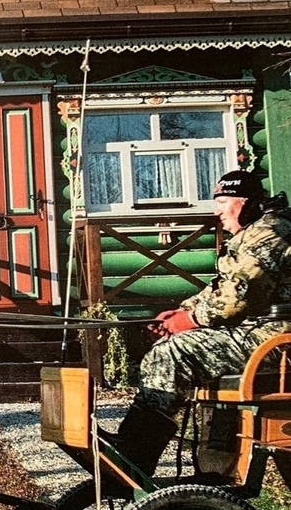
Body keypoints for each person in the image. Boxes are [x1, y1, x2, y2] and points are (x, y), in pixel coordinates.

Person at [107, 169, 291, 477]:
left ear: (245, 204)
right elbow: (220, 287)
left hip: (277, 338)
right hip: (256, 333)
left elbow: (236, 299)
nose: (217, 210)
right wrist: (179, 312)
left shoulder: (270, 234)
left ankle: (135, 455)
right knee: (172, 345)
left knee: (173, 353)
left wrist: (188, 320)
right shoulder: (255, 232)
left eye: (223, 202)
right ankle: (211, 463)